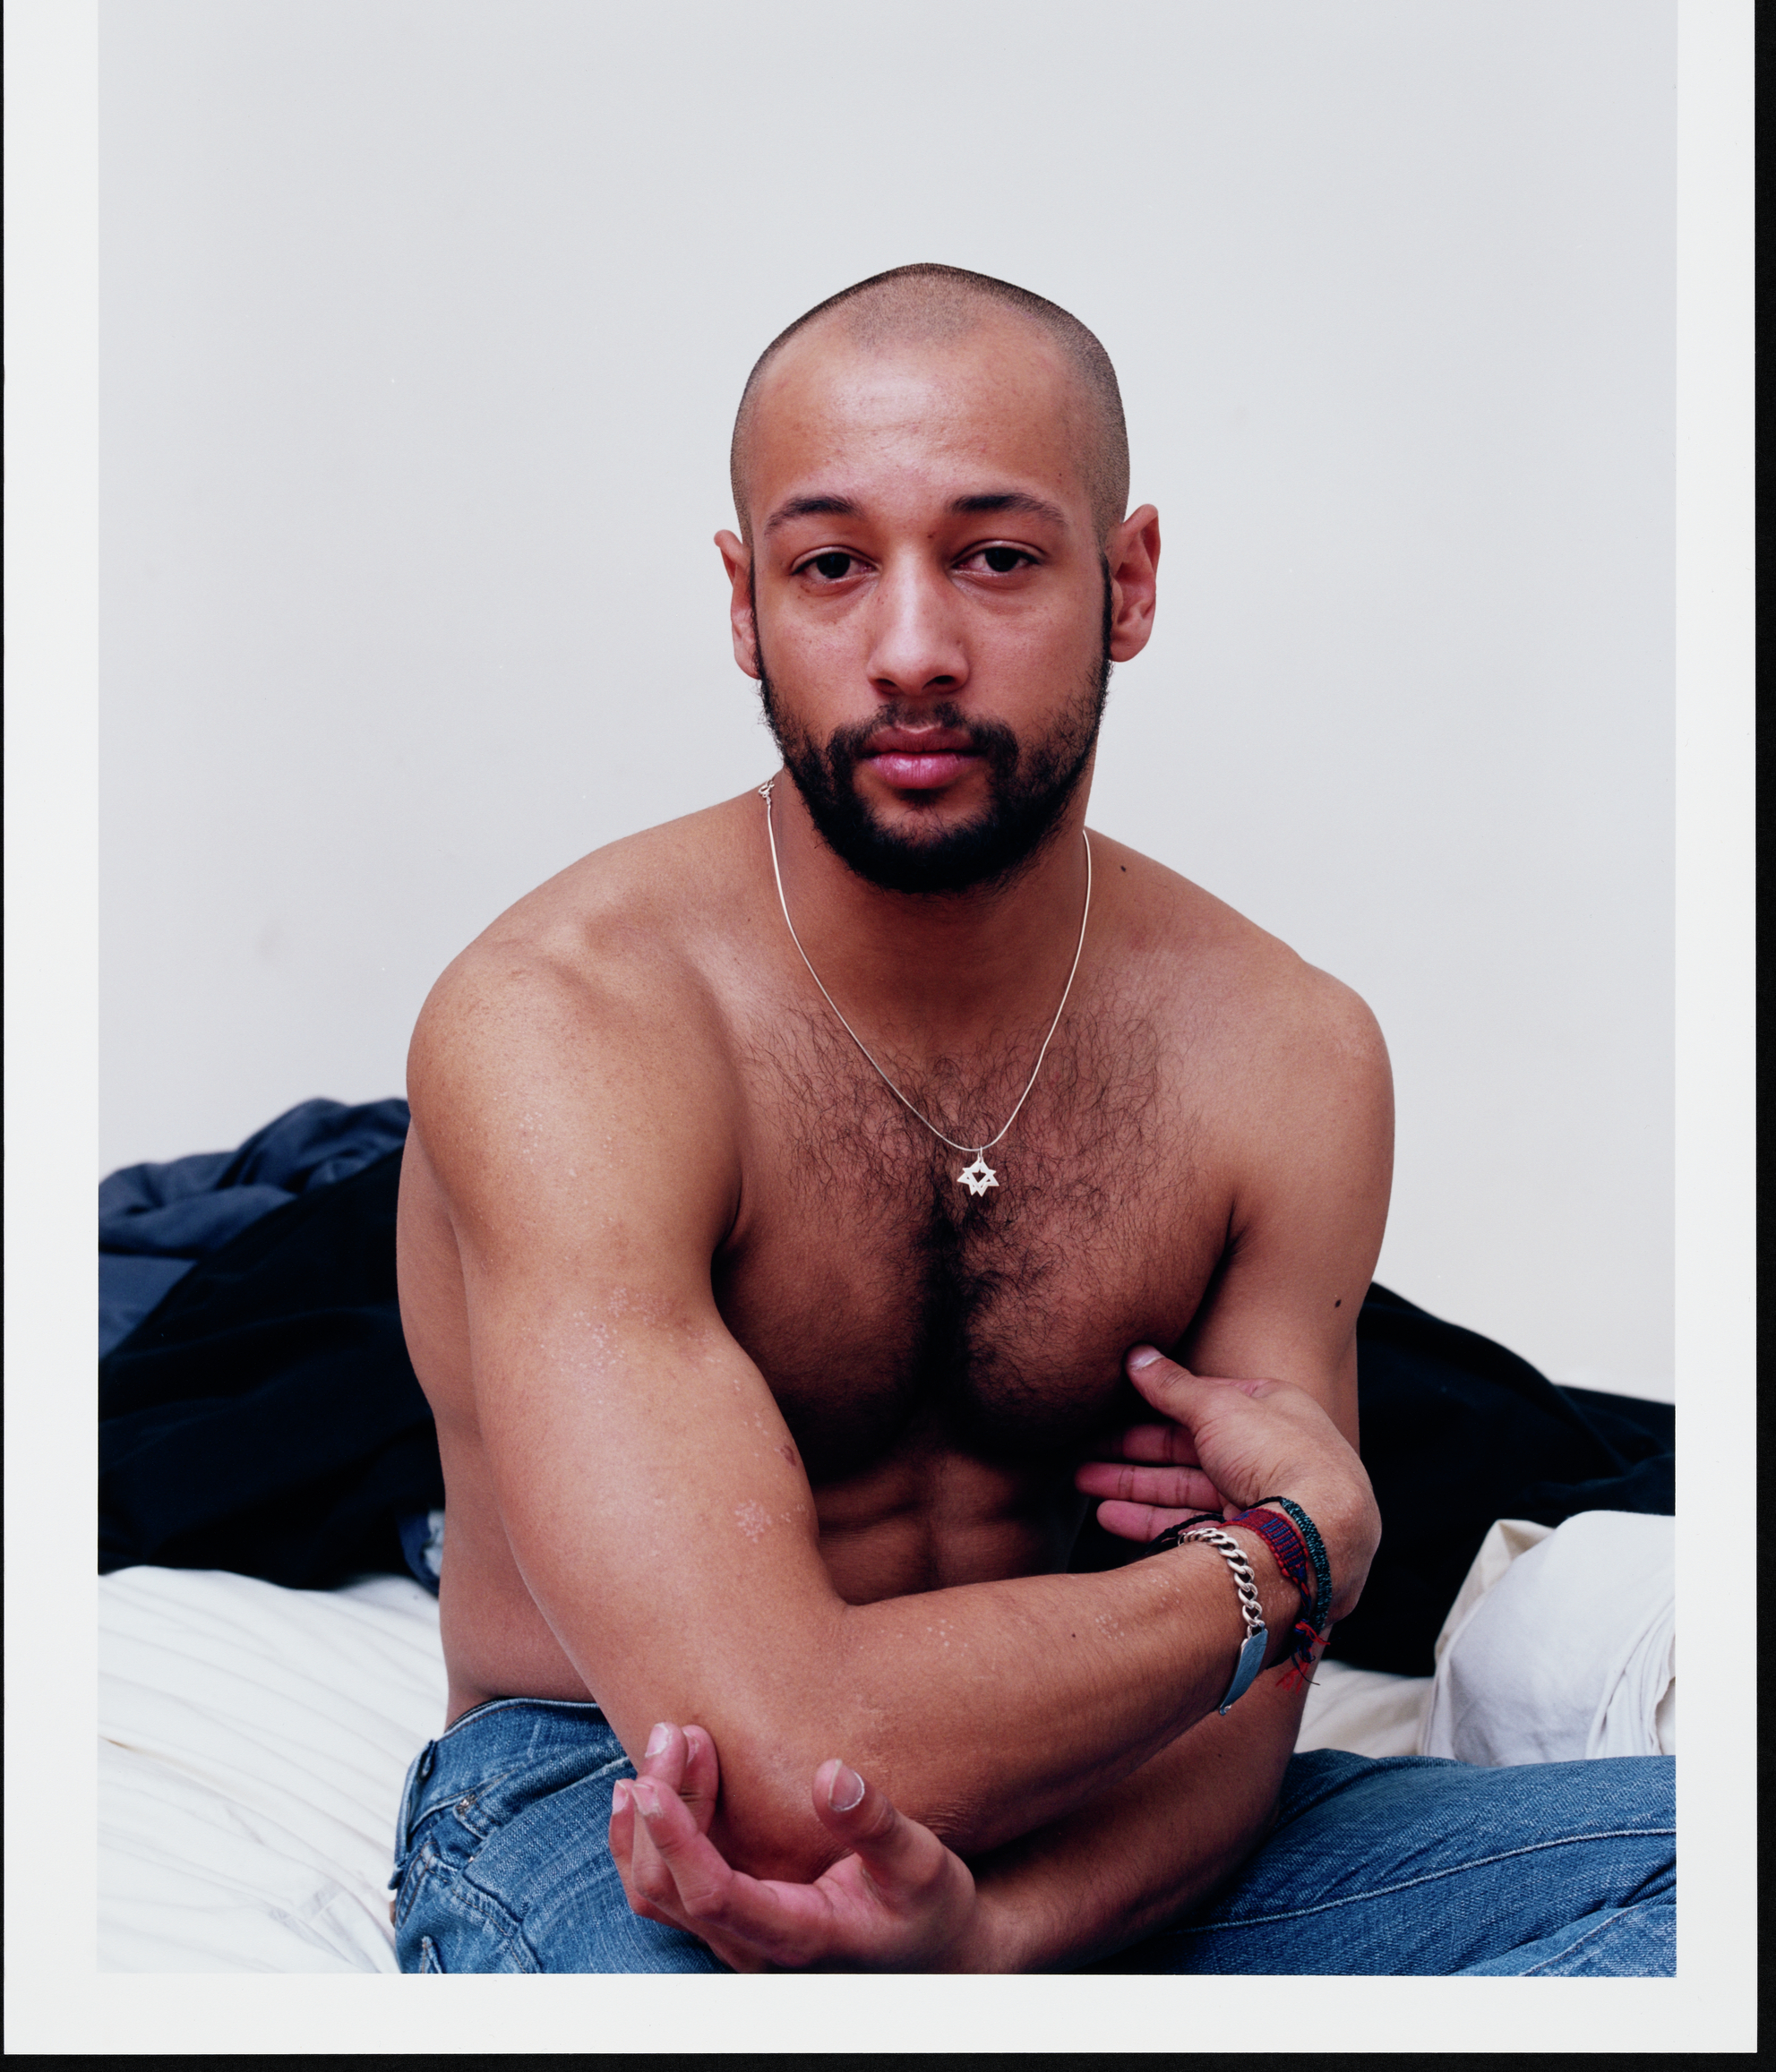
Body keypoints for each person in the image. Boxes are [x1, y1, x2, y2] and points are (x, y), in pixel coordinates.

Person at [390, 264, 1673, 1975]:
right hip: (625, 1800)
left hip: (1115, 1799)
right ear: (741, 600)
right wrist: (1293, 1559)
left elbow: (1242, 1709)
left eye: (996, 558)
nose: (912, 650)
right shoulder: (569, 1028)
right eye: (831, 565)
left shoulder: (1285, 1053)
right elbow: (778, 1757)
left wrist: (1001, 1941)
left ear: (1126, 583)